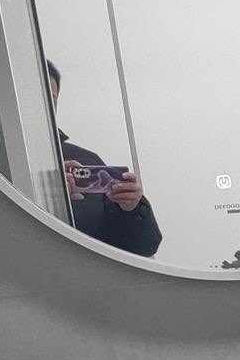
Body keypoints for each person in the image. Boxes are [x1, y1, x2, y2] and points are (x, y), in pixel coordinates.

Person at [46, 60, 162, 256]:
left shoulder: (86, 160)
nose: (47, 106)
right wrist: (45, 194)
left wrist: (132, 208)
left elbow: (142, 248)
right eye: (38, 96)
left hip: (81, 272)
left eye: (52, 99)